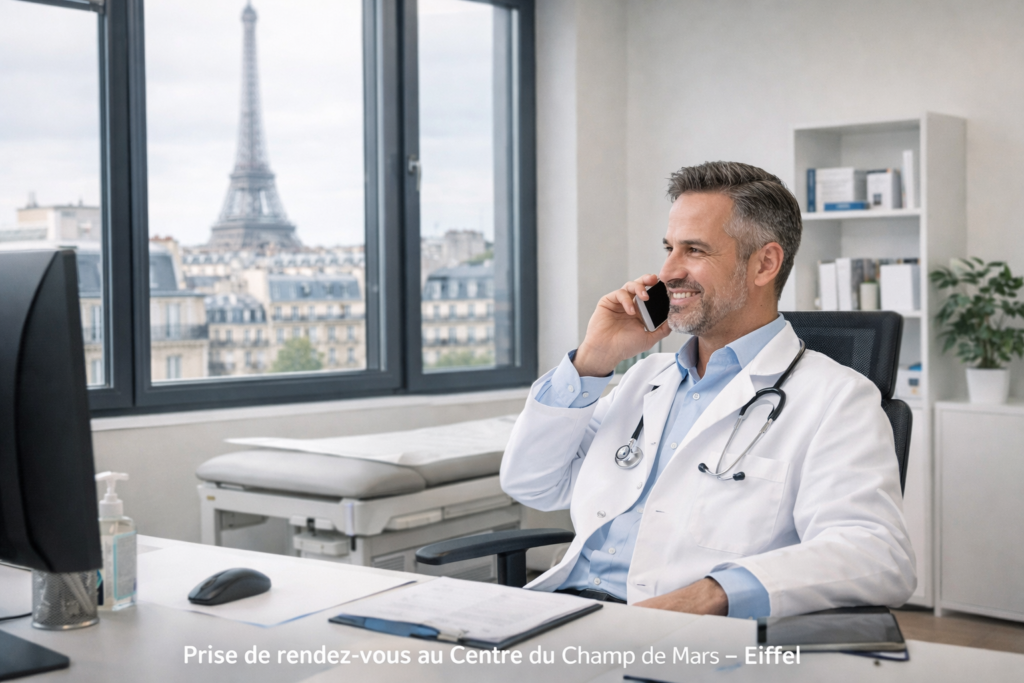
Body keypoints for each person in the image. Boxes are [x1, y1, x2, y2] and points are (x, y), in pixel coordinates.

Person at [500, 161, 916, 618]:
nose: (667, 271)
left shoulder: (838, 399)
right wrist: (591, 360)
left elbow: (877, 553)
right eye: (669, 248)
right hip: (563, 611)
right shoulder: (644, 379)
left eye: (694, 250)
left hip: (679, 632)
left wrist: (712, 594)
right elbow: (532, 484)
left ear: (765, 264)